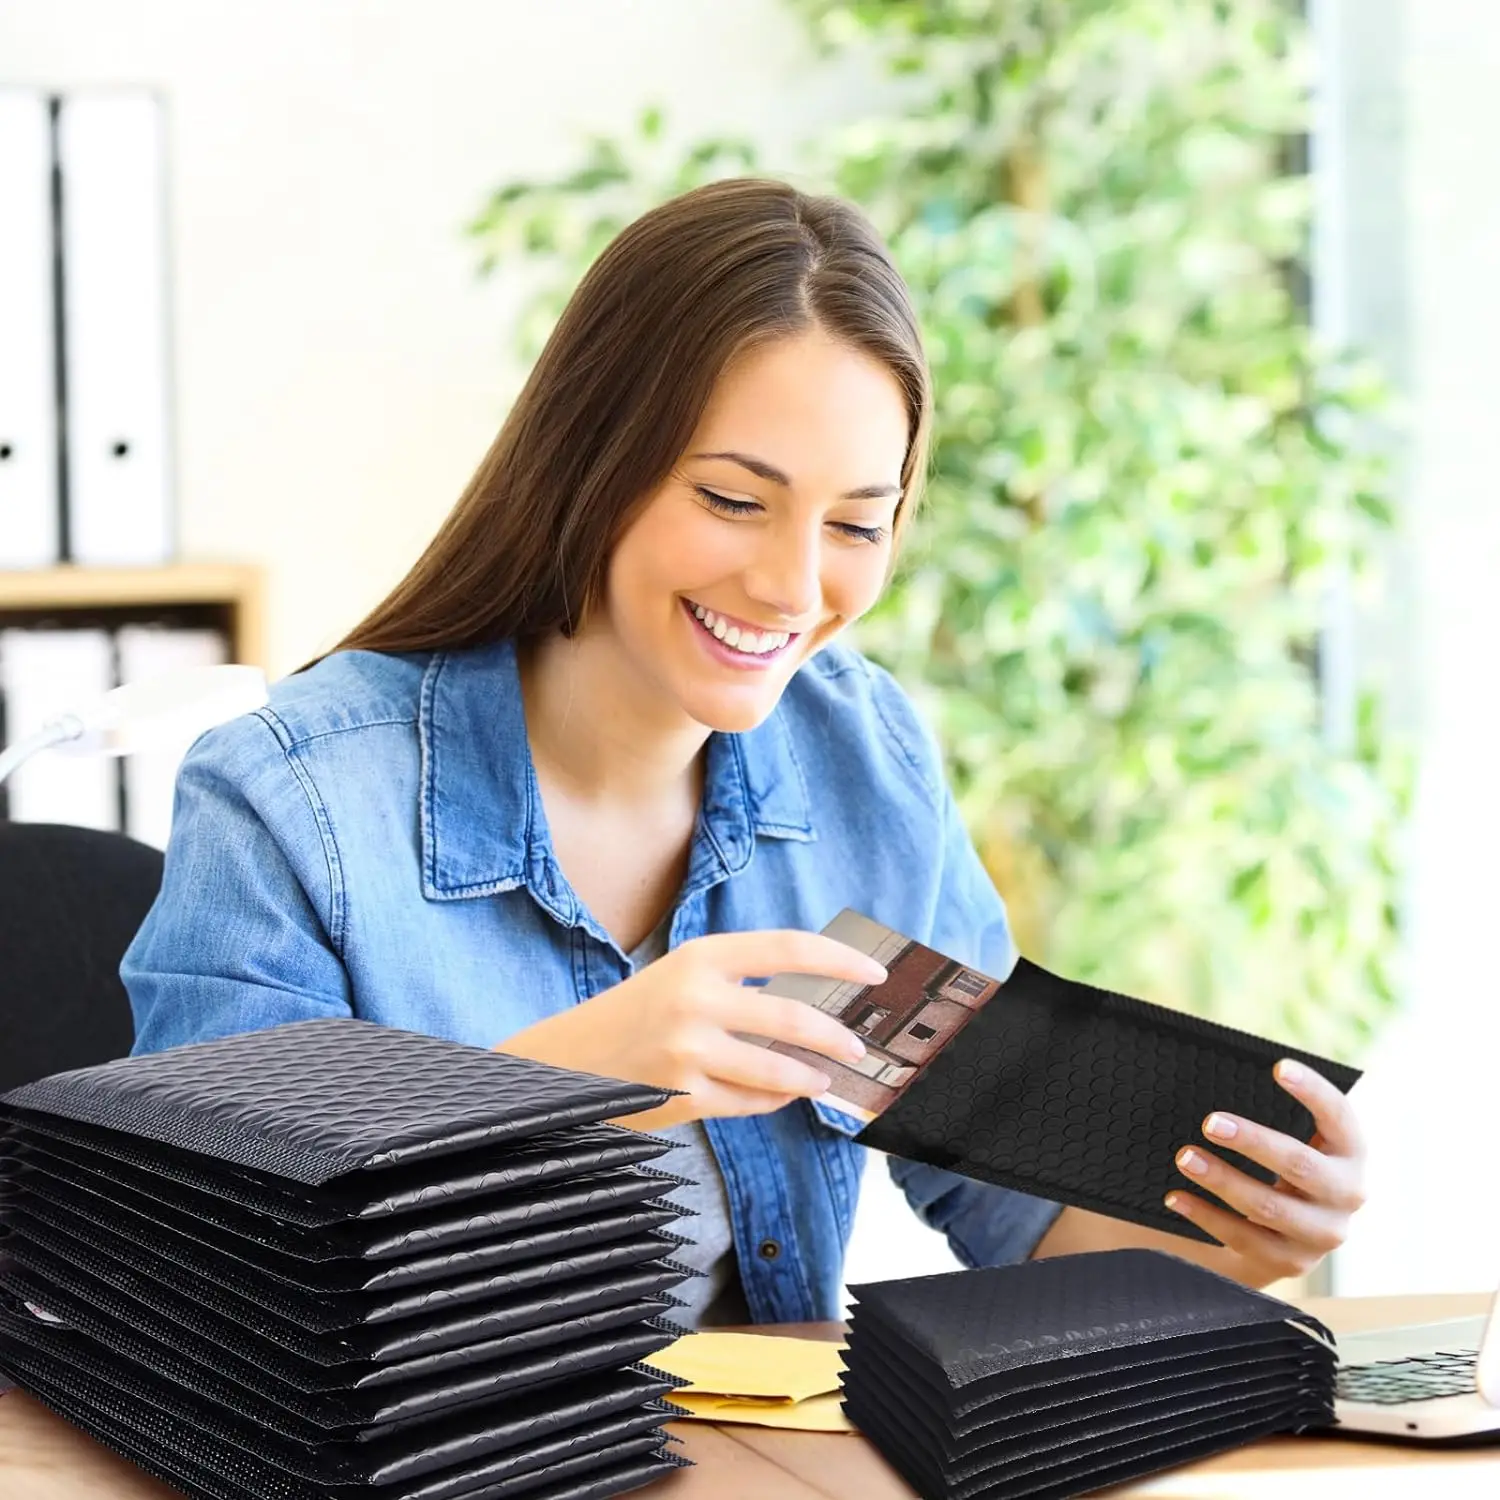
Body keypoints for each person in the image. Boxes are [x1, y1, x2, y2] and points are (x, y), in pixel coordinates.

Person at [123, 178, 1366, 1328]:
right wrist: (559, 1088)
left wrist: (1238, 1232)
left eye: (854, 524)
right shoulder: (295, 800)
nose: (790, 585)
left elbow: (1021, 1228)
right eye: (732, 499)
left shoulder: (858, 760)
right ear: (593, 466)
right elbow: (198, 1281)